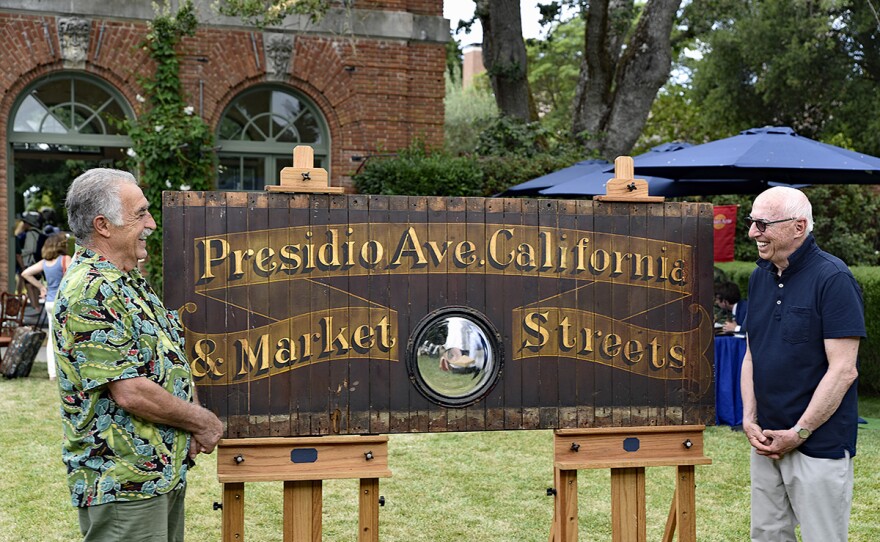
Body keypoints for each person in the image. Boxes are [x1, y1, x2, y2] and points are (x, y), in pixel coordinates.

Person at [54, 168, 223, 541]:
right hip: (123, 482)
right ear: (103, 225)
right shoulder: (91, 290)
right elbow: (130, 391)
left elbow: (168, 358)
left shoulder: (126, 279)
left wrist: (187, 420)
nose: (151, 223)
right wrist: (201, 421)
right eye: (140, 213)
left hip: (156, 474)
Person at [740, 186, 864, 541]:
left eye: (763, 224)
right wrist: (750, 419)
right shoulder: (759, 276)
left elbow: (844, 370)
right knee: (767, 535)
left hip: (818, 444)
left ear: (798, 227)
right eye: (752, 222)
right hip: (766, 439)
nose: (752, 233)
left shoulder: (833, 278)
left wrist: (799, 433)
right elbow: (753, 354)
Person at [20, 232, 71, 380]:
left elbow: (25, 273)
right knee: (66, 336)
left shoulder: (44, 263)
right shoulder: (64, 259)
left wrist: (42, 287)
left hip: (49, 302)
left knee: (51, 338)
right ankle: (66, 371)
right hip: (62, 303)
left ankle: (52, 374)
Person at [19, 210, 46, 309]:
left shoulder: (30, 234)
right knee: (34, 284)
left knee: (29, 285)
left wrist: (19, 253)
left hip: (30, 262)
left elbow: (30, 249)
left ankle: (35, 307)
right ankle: (37, 306)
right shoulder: (39, 233)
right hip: (37, 261)